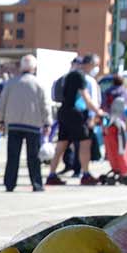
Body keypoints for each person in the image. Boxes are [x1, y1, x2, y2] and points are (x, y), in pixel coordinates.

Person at [0, 53, 49, 192]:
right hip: (33, 124)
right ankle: (36, 183)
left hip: (14, 124)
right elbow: (45, 105)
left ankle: (10, 183)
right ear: (34, 68)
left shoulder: (11, 83)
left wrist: (0, 121)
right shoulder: (39, 84)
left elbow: (2, 103)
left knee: (13, 156)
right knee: (33, 157)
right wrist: (47, 122)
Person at [48, 55, 101, 185]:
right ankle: (86, 174)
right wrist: (98, 112)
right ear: (89, 64)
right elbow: (86, 98)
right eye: (95, 66)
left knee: (62, 144)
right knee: (85, 142)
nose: (95, 69)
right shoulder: (80, 77)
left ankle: (52, 174)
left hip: (64, 112)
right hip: (75, 114)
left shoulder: (69, 75)